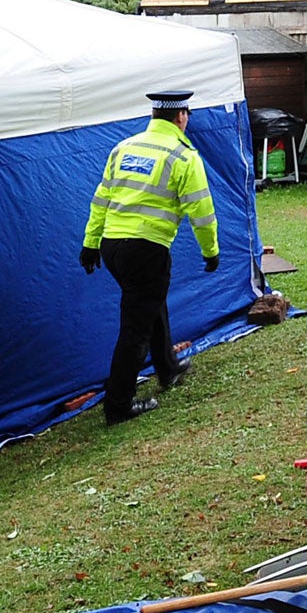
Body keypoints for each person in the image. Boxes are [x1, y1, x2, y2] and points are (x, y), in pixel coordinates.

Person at [81, 89, 221, 424]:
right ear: (181, 117)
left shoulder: (124, 148)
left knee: (149, 303)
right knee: (135, 329)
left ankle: (168, 369)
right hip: (146, 249)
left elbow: (101, 199)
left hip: (112, 246)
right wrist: (211, 251)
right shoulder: (184, 157)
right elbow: (201, 212)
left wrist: (89, 243)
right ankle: (118, 406)